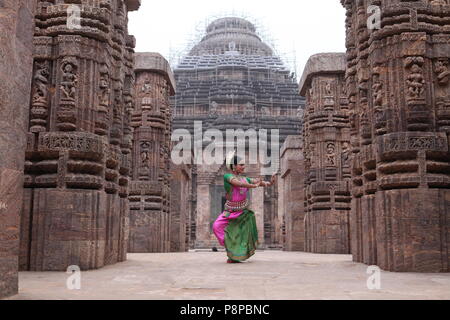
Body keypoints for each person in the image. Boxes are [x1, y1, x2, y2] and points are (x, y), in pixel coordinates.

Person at [212, 151, 276, 264]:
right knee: (216, 226)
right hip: (229, 211)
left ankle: (235, 256)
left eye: (243, 165)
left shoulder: (245, 179)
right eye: (241, 165)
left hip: (242, 212)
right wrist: (253, 185)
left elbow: (258, 182)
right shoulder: (228, 176)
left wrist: (269, 183)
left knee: (241, 234)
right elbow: (238, 184)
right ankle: (229, 245)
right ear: (233, 166)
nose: (243, 167)